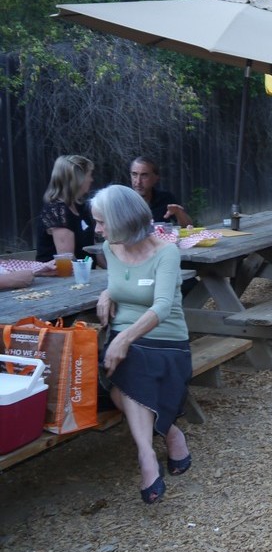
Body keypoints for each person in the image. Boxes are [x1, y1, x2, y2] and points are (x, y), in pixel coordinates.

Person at [93, 184, 192, 504]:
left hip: (166, 339)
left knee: (123, 373)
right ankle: (166, 436)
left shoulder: (166, 252)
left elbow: (162, 306)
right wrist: (107, 293)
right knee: (121, 373)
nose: (97, 229)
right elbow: (122, 283)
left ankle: (146, 456)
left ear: (122, 220)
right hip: (126, 338)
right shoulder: (110, 248)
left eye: (102, 222)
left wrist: (124, 338)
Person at [36, 155, 96, 262]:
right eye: (89, 175)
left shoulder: (81, 207)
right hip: (60, 272)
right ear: (78, 179)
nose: (92, 179)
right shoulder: (58, 212)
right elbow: (67, 259)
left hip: (85, 270)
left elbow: (92, 249)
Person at [130, 156, 192, 226]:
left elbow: (188, 227)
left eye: (144, 175)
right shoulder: (122, 200)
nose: (138, 181)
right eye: (134, 174)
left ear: (156, 178)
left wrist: (178, 213)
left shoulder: (165, 198)